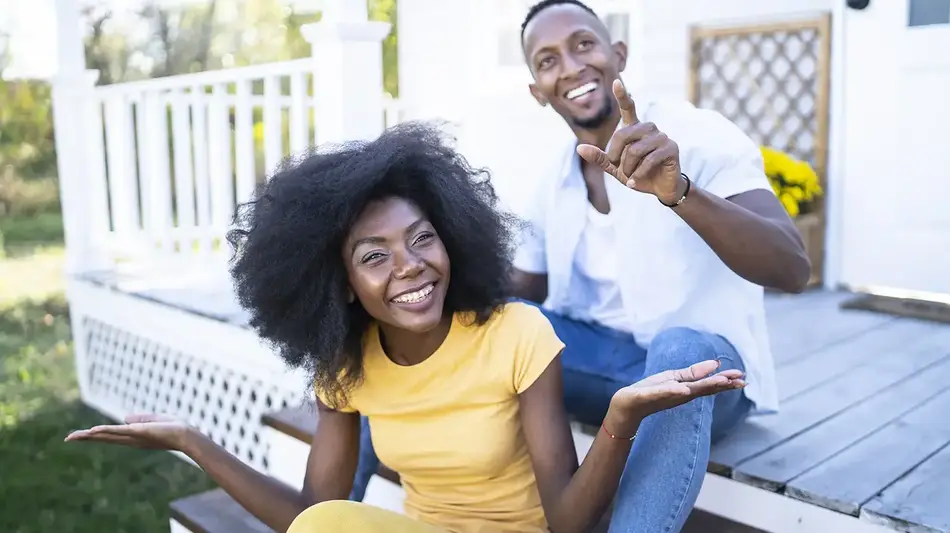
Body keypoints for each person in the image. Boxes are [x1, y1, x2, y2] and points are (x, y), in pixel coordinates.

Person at [65, 123, 745, 533]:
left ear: (452, 237)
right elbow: (313, 512)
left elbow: (569, 521)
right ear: (340, 282)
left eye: (423, 239)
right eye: (374, 256)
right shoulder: (346, 366)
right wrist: (193, 441)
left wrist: (621, 414)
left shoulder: (517, 333)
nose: (410, 267)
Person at [349, 1, 813, 532]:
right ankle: (333, 511)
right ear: (537, 91)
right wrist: (408, 275)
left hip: (707, 376)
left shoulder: (699, 136)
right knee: (443, 317)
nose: (569, 67)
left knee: (679, 347)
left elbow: (792, 268)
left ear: (618, 54)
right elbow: (517, 293)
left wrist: (679, 192)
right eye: (546, 61)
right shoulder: (554, 182)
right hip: (600, 369)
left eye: (583, 45)